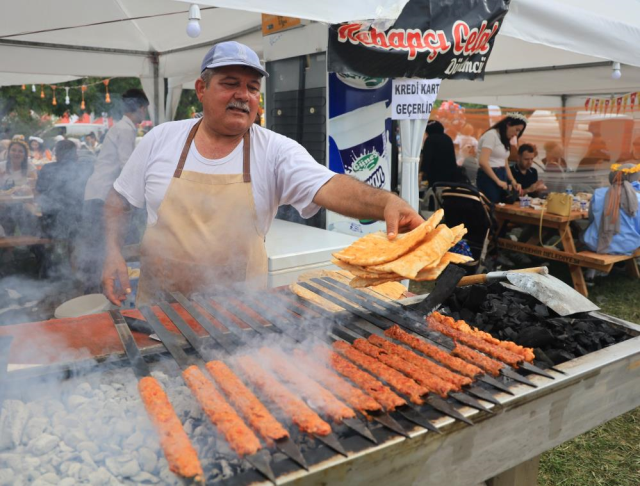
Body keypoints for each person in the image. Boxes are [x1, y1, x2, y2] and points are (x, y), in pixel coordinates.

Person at [102, 41, 423, 306]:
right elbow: (119, 199)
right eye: (230, 84)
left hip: (239, 317)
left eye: (252, 88)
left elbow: (329, 185)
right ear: (201, 89)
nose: (243, 95)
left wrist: (386, 203)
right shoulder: (162, 139)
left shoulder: (275, 150)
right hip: (160, 312)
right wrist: (113, 251)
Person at [79, 88, 149, 291]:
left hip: (97, 192)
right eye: (145, 110)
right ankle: (97, 293)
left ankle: (96, 290)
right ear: (142, 108)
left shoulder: (120, 127)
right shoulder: (126, 129)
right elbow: (128, 165)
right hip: (102, 196)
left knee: (98, 245)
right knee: (102, 247)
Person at [583, 163, 640, 255]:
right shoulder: (638, 198)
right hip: (627, 245)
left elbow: (591, 219)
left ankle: (594, 269)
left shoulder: (598, 193)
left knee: (582, 233)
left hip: (595, 242)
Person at [476, 114, 527, 203]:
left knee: (503, 204)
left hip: (501, 174)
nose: (516, 134)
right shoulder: (491, 135)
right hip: (489, 175)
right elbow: (483, 161)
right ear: (508, 124)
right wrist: (497, 180)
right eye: (516, 130)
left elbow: (504, 161)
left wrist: (513, 181)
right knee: (491, 205)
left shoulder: (503, 138)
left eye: (519, 132)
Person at [0, 140, 39, 236]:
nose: (16, 153)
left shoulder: (30, 168)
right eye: (13, 150)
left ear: (25, 154)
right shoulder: (1, 167)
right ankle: (9, 246)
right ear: (8, 152)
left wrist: (28, 189)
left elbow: (34, 189)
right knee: (5, 214)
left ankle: (26, 243)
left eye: (20, 151)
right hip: (3, 205)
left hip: (23, 205)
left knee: (23, 213)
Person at [420, 120, 458, 186]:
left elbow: (427, 158)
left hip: (435, 174)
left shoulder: (430, 139)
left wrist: (422, 172)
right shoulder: (448, 138)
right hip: (450, 174)